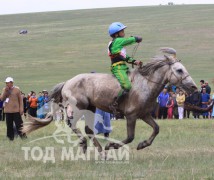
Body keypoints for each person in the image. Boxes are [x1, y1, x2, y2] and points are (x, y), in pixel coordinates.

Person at [107, 22, 142, 116]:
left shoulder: (118, 45)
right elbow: (127, 40)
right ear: (116, 34)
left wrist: (134, 62)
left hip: (123, 66)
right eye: (122, 30)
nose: (124, 32)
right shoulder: (117, 41)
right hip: (117, 68)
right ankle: (114, 104)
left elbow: (124, 57)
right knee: (127, 86)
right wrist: (135, 38)